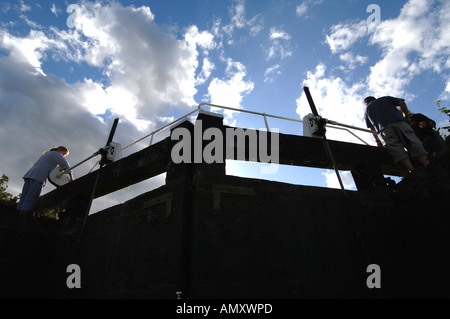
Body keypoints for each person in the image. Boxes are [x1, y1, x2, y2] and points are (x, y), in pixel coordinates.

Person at [364, 96, 429, 173]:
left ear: (366, 104)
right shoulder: (385, 98)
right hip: (400, 123)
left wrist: (378, 141)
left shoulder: (367, 111)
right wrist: (407, 117)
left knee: (397, 150)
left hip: (385, 130)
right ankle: (427, 164)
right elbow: (401, 102)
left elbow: (372, 128)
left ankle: (412, 170)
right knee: (413, 142)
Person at [16, 146, 74, 213]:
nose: (63, 156)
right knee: (32, 196)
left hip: (30, 174)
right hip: (39, 176)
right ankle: (24, 213)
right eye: (64, 154)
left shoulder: (47, 154)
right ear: (61, 150)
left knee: (24, 196)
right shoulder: (57, 154)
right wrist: (71, 177)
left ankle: (18, 212)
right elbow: (65, 164)